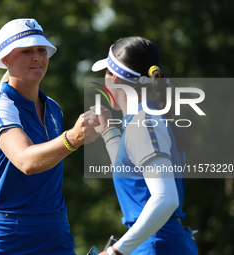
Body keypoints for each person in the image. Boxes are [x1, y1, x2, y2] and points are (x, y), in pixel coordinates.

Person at [0, 18, 98, 255]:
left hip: (55, 230)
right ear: (6, 59)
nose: (37, 57)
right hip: (8, 235)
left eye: (41, 50)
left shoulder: (53, 107)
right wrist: (72, 138)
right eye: (27, 51)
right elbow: (26, 162)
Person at [87, 37, 198, 255]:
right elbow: (133, 175)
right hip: (158, 243)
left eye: (106, 72)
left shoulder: (143, 122)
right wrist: (109, 133)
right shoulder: (145, 119)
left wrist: (114, 252)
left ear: (114, 78)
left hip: (156, 245)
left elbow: (165, 199)